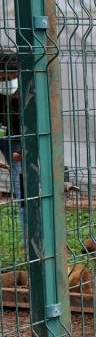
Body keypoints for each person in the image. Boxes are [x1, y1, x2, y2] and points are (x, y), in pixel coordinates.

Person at [0, 50, 25, 246]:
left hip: (21, 143)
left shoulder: (29, 93)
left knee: (25, 195)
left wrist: (25, 150)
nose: (7, 82)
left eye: (11, 77)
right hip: (3, 138)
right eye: (3, 78)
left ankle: (31, 249)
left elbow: (39, 127)